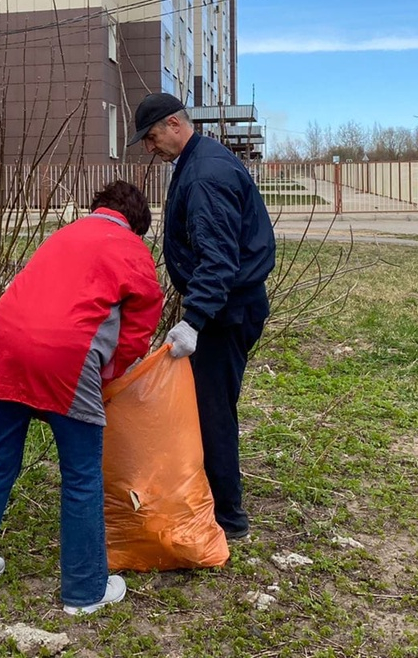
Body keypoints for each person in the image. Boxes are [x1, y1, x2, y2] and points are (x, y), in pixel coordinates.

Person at [0, 180, 163, 615]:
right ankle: (84, 591)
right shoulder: (132, 249)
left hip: (5, 346)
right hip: (67, 358)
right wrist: (109, 374)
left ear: (98, 207)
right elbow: (139, 328)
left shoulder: (65, 234)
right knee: (81, 474)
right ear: (136, 224)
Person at [128, 93, 276, 541]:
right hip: (226, 307)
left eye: (152, 138)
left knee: (212, 411)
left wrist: (195, 319)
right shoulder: (199, 163)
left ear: (174, 124)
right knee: (210, 406)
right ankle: (212, 498)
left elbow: (218, 259)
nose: (150, 148)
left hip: (225, 313)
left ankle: (228, 519)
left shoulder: (205, 173)